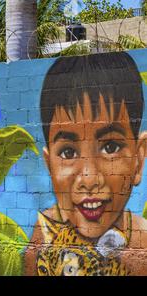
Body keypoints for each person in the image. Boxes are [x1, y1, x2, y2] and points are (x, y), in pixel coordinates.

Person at [25, 52, 147, 275]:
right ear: (49, 165)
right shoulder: (45, 233)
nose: (89, 179)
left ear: (138, 160)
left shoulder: (141, 242)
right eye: (68, 151)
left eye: (110, 147)